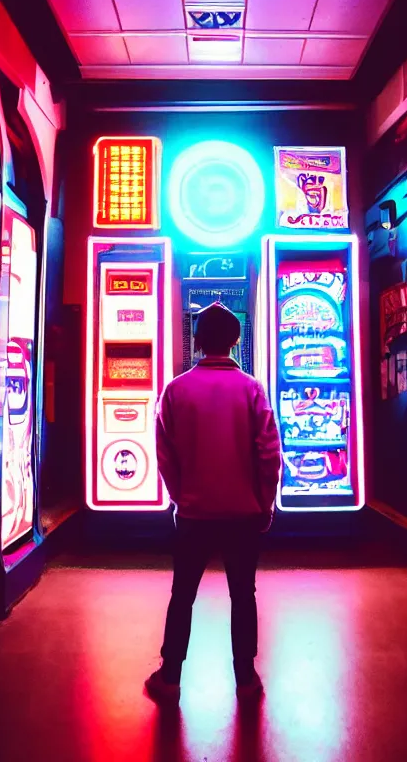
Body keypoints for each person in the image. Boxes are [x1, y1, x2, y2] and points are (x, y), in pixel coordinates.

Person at [145, 301, 281, 703]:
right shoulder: (252, 389)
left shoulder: (176, 389)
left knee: (182, 593)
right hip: (243, 514)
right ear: (236, 340)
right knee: (244, 593)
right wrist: (265, 503)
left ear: (197, 340)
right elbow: (270, 454)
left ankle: (170, 678)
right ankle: (246, 678)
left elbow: (165, 454)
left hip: (194, 513)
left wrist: (179, 496)